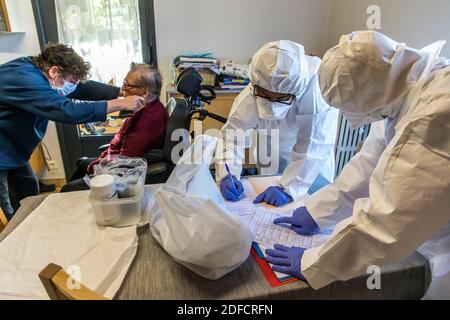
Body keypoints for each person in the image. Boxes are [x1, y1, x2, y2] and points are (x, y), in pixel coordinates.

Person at [265, 31, 450, 299]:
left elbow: (387, 223)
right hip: (429, 235)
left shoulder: (435, 113)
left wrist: (314, 262)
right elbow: (367, 165)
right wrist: (317, 211)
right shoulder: (400, 89)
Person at [0, 43, 144, 220]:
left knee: (28, 190)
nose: (72, 86)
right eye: (71, 81)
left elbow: (82, 88)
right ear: (54, 71)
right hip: (3, 149)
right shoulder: (24, 79)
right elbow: (66, 111)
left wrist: (120, 92)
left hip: (14, 148)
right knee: (6, 207)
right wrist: (119, 104)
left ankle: (27, 225)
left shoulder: (42, 70)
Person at [215, 40, 339, 206]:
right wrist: (226, 173)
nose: (272, 104)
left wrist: (289, 188)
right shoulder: (257, 84)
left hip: (310, 171)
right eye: (265, 94)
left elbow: (314, 147)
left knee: (308, 213)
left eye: (281, 98)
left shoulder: (317, 89)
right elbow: (232, 138)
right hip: (270, 156)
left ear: (296, 90)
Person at [61, 63, 168, 192]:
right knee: (82, 164)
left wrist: (99, 163)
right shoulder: (142, 109)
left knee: (67, 189)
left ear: (144, 92)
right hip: (117, 160)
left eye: (127, 85)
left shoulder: (148, 118)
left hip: (123, 172)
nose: (123, 89)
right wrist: (103, 158)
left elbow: (127, 158)